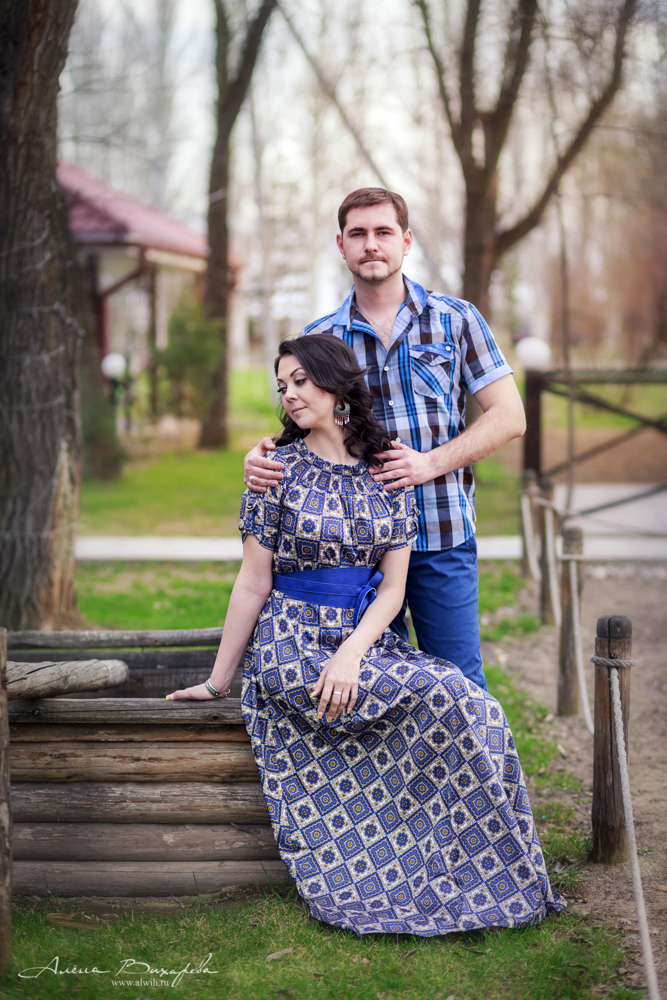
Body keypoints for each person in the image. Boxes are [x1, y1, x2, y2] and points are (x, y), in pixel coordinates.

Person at [167, 334, 563, 937]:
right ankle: (374, 872)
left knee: (468, 701)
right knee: (445, 698)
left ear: (335, 383)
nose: (290, 394)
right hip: (293, 644)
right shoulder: (276, 474)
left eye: (301, 380)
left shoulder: (387, 474)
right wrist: (220, 681)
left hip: (362, 641)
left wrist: (353, 651)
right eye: (282, 385)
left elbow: (392, 592)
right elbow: (251, 585)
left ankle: (485, 871)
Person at [243, 187, 527, 693]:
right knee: (370, 687)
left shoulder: (456, 320)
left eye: (383, 232)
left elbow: (509, 416)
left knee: (461, 683)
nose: (371, 244)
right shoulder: (322, 337)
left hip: (441, 532)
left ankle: (478, 774)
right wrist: (260, 455)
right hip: (355, 548)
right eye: (358, 234)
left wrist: (429, 464)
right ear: (341, 244)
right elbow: (300, 426)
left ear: (406, 240)